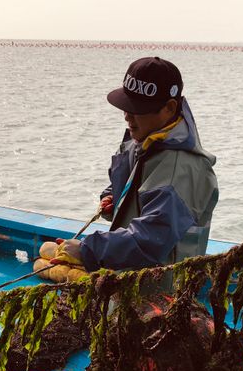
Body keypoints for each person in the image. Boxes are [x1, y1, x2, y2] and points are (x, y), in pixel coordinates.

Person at [52, 57, 218, 274]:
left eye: (138, 109)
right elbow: (132, 186)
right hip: (127, 279)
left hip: (161, 292)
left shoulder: (182, 168)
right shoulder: (142, 140)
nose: (127, 116)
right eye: (125, 106)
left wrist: (87, 250)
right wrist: (112, 196)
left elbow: (151, 239)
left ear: (169, 108)